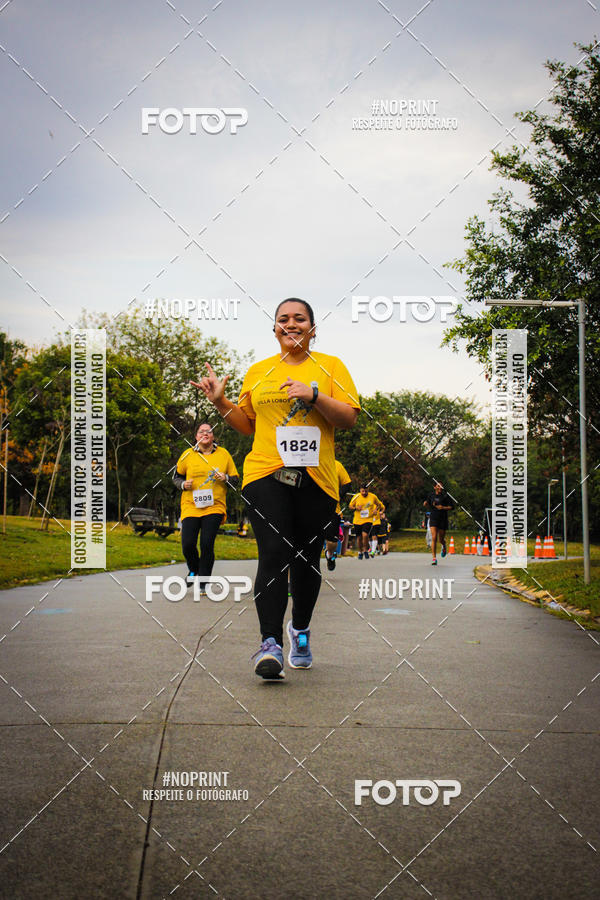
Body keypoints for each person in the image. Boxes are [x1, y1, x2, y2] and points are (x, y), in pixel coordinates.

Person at [192, 298, 359, 678]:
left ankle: (299, 630)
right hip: (265, 472)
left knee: (306, 558)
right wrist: (221, 403)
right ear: (274, 329)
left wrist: (314, 395)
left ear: (313, 329)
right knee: (273, 550)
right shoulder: (259, 371)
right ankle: (270, 644)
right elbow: (247, 424)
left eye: (299, 319)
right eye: (283, 319)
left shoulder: (331, 366)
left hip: (317, 477)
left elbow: (348, 418)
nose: (291, 324)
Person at [173, 423, 239, 591]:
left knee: (207, 543)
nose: (205, 433)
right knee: (187, 544)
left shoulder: (224, 454)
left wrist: (225, 478)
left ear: (213, 436)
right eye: (201, 431)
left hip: (214, 506)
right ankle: (194, 569)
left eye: (208, 431)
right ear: (196, 437)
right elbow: (176, 477)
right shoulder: (187, 454)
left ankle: (202, 582)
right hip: (190, 505)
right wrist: (183, 484)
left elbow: (236, 479)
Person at [324, 459, 352, 571]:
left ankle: (330, 554)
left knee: (332, 541)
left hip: (333, 509)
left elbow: (347, 483)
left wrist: (338, 495)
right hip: (311, 508)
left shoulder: (336, 465)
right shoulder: (306, 463)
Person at [349, 485, 385, 560]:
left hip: (368, 519)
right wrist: (356, 508)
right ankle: (360, 552)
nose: (364, 493)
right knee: (359, 537)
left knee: (365, 535)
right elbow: (350, 506)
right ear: (360, 490)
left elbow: (379, 505)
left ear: (368, 489)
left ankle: (365, 550)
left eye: (366, 491)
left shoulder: (373, 496)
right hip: (357, 520)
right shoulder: (356, 496)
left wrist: (376, 510)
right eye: (362, 491)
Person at [423, 481, 455, 565]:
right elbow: (428, 505)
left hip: (443, 519)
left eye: (441, 486)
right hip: (433, 518)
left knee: (441, 539)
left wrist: (443, 507)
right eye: (438, 486)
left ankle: (444, 545)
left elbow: (452, 507)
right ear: (435, 487)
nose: (440, 487)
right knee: (434, 537)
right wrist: (425, 504)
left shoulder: (445, 496)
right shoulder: (431, 495)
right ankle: (434, 558)